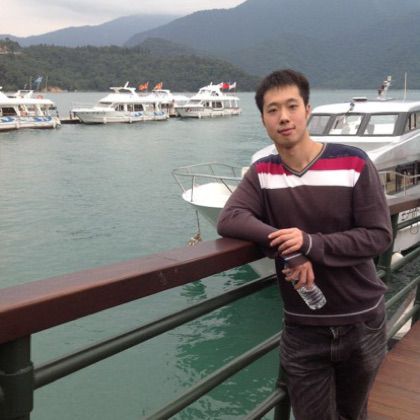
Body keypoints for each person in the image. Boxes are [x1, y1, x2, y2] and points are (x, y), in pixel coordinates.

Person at [217, 69, 393, 420]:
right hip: (303, 328)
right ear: (263, 120)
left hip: (362, 321)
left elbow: (378, 235)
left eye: (291, 106)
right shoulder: (263, 173)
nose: (283, 117)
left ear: (307, 110)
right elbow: (230, 218)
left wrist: (310, 243)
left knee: (354, 415)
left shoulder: (353, 163)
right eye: (272, 110)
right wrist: (291, 248)